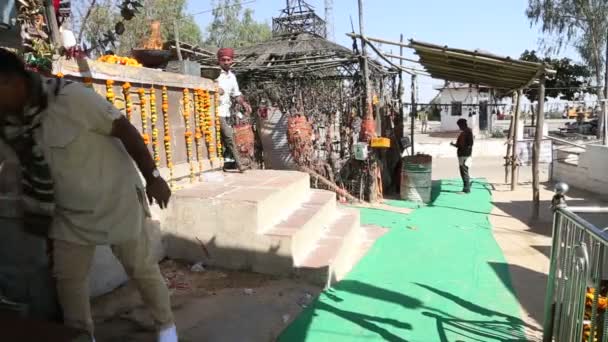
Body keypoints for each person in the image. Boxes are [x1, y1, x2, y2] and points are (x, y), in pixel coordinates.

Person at [0, 49, 177, 342]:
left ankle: (167, 328)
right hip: (68, 215)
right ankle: (82, 337)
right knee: (69, 283)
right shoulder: (8, 125)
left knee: (142, 269)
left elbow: (126, 130)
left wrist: (153, 177)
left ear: (8, 81)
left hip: (114, 199)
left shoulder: (71, 99)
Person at [216, 47, 252, 172]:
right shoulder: (213, 73)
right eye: (223, 60)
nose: (226, 62)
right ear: (219, 61)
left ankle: (221, 164)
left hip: (225, 112)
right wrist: (214, 88)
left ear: (232, 61)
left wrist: (244, 103)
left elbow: (236, 94)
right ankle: (239, 164)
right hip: (215, 111)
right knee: (229, 136)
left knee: (222, 139)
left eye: (228, 60)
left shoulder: (232, 77)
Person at [451, 118, 474, 194]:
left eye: (459, 125)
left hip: (464, 155)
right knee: (465, 171)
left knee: (464, 171)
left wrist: (454, 145)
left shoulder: (465, 133)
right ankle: (466, 187)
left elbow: (463, 145)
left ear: (462, 125)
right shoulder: (468, 132)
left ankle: (466, 189)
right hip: (466, 154)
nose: (459, 127)